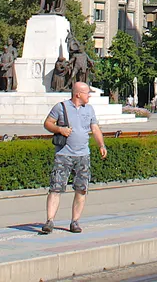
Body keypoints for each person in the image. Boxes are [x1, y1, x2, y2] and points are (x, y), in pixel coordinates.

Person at [41, 81, 107, 234]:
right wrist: (59, 129)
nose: (89, 95)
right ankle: (50, 221)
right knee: (56, 188)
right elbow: (47, 123)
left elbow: (95, 128)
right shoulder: (61, 107)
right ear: (78, 94)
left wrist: (101, 145)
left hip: (83, 155)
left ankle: (75, 221)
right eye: (86, 93)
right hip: (64, 154)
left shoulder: (89, 109)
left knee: (81, 189)